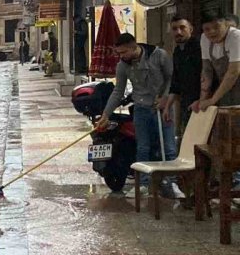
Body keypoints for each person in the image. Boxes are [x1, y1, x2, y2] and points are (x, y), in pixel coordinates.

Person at [96, 33, 183, 198]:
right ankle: (143, 184)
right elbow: (118, 91)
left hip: (163, 108)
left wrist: (165, 98)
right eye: (119, 53)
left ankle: (172, 183)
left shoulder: (159, 55)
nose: (121, 57)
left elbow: (172, 79)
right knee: (143, 147)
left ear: (133, 47)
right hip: (141, 109)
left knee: (169, 147)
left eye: (123, 52)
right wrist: (106, 114)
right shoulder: (123, 65)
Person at [191, 11, 240, 112]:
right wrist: (202, 100)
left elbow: (233, 72)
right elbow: (207, 71)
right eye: (207, 29)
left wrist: (212, 100)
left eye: (216, 27)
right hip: (226, 90)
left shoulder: (236, 36)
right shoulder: (204, 38)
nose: (212, 32)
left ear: (226, 25)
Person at [166, 16, 203, 135]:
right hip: (186, 103)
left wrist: (201, 99)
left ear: (190, 29)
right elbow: (175, 81)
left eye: (182, 28)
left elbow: (207, 76)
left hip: (202, 103)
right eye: (174, 29)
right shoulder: (177, 52)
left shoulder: (200, 47)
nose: (178, 32)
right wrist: (167, 106)